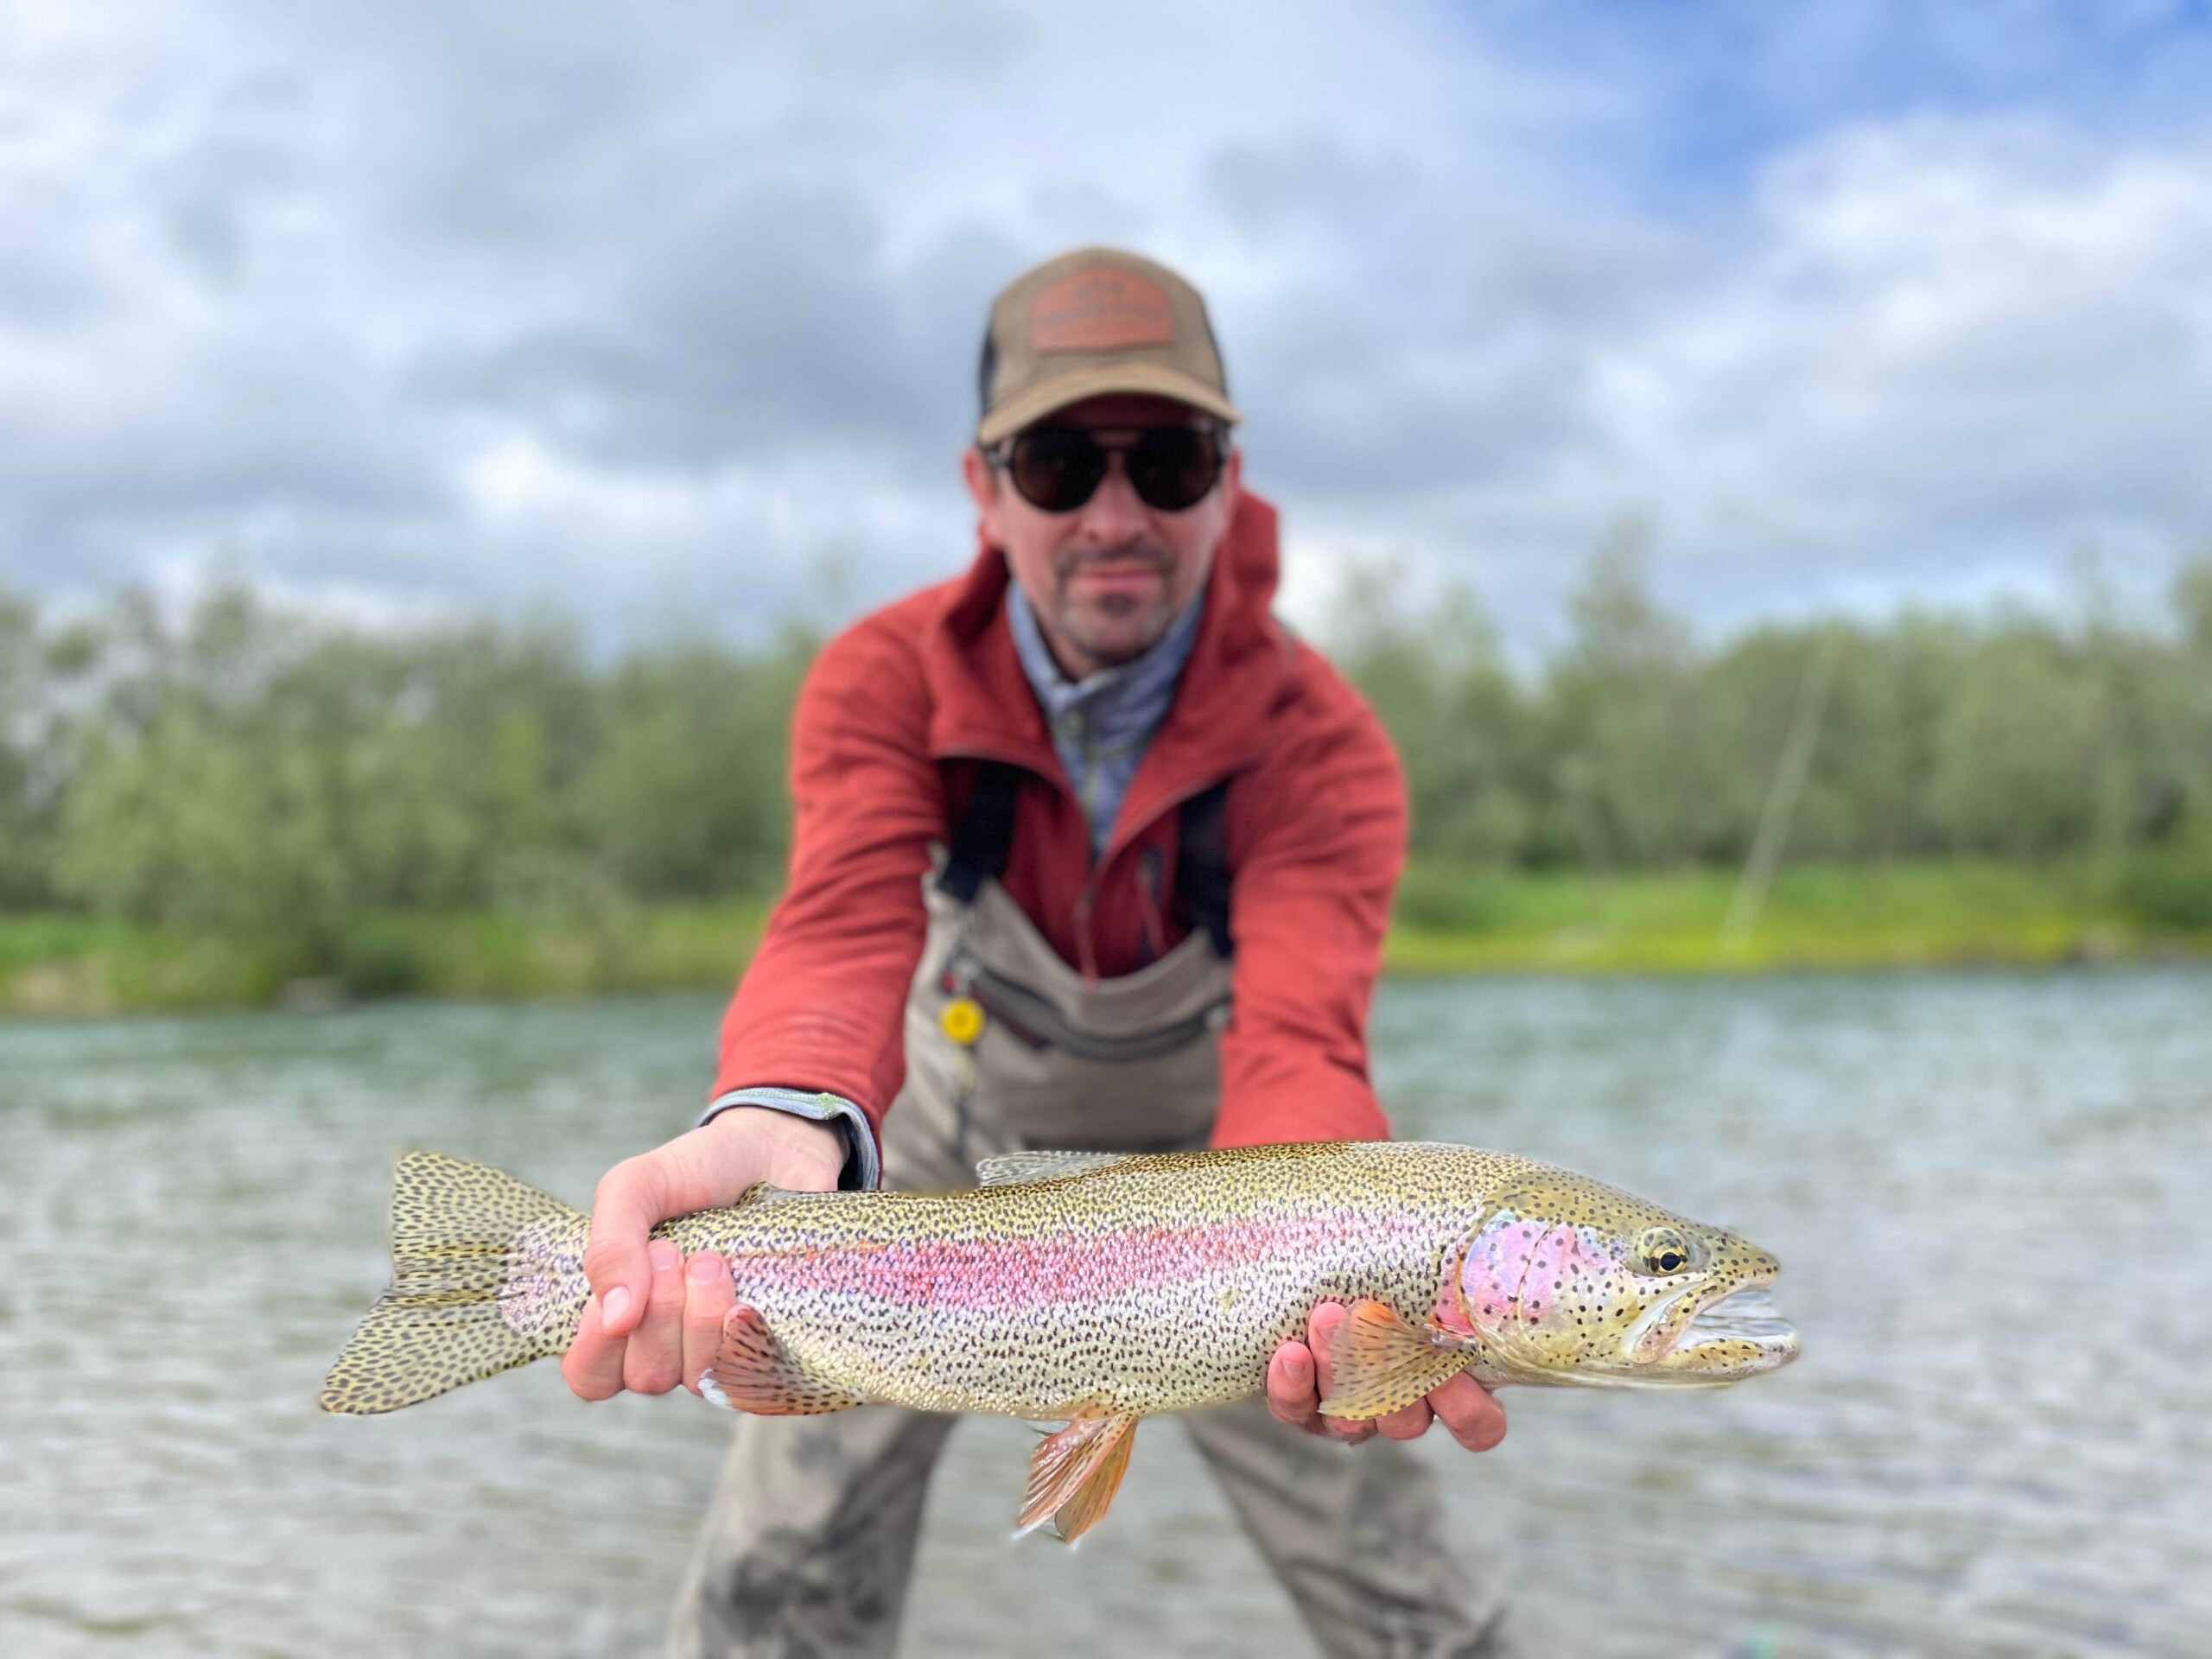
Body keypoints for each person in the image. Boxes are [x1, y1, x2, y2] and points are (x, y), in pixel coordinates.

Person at [561, 247, 1516, 1658]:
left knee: (1413, 1601)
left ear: (1231, 478)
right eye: (1063, 463)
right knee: (778, 1573)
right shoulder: (887, 678)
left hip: (1238, 1189)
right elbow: (843, 923)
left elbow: (1304, 1042)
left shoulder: (1324, 745)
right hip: (941, 1157)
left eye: (1171, 461)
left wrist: (1346, 1263)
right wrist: (778, 1110)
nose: (1116, 515)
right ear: (985, 488)